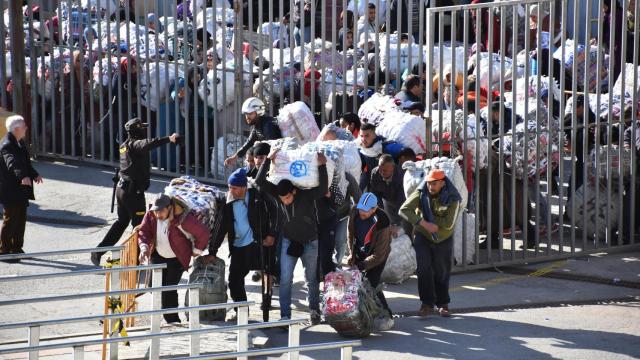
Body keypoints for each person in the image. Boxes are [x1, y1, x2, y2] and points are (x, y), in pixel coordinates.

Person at [254, 148, 329, 324]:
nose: (284, 201)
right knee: (286, 279)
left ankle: (314, 311)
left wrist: (322, 165)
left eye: (287, 198)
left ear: (294, 192)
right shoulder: (278, 194)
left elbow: (323, 188)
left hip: (311, 242)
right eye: (282, 199)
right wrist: (267, 160)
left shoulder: (306, 195)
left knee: (311, 279)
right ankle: (285, 316)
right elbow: (259, 182)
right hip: (289, 241)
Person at [91, 118, 180, 266]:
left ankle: (98, 252)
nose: (145, 131)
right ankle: (135, 261)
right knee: (140, 228)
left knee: (121, 223)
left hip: (122, 190)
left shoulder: (124, 146)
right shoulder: (135, 144)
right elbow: (148, 143)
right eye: (142, 129)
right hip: (133, 194)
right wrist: (169, 139)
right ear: (137, 131)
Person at [206, 168, 277, 320]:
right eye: (229, 187)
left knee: (269, 273)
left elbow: (276, 211)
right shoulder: (228, 201)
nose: (231, 191)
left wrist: (271, 234)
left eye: (235, 188)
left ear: (244, 187)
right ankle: (242, 313)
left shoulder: (258, 196)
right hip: (238, 246)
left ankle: (268, 303)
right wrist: (212, 250)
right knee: (234, 281)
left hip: (258, 244)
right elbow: (220, 226)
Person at [138, 194, 209, 323]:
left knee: (168, 290)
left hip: (177, 259)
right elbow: (144, 231)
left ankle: (173, 321)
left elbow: (203, 233)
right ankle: (167, 313)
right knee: (153, 286)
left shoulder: (183, 218)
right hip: (158, 255)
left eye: (161, 211)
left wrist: (196, 251)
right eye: (156, 211)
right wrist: (144, 247)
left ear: (170, 208)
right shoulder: (151, 214)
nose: (158, 214)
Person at [399, 169, 461, 317]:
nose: (430, 187)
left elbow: (448, 224)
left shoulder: (454, 198)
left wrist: (431, 220)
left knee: (442, 271)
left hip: (443, 238)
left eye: (434, 184)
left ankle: (443, 304)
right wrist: (423, 223)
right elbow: (404, 210)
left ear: (442, 183)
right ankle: (426, 303)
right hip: (423, 236)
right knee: (423, 269)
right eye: (429, 183)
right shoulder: (421, 193)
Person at [346, 192, 394, 331]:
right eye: (361, 208)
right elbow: (350, 234)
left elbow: (379, 254)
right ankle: (362, 313)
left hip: (378, 255)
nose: (362, 212)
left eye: (365, 210)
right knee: (358, 283)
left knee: (372, 282)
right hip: (361, 251)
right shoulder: (355, 212)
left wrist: (361, 265)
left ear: (374, 209)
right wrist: (351, 254)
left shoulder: (383, 222)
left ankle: (386, 314)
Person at [0, 116, 42, 262]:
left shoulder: (20, 143)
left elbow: (25, 163)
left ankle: (17, 248)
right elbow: (12, 163)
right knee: (10, 220)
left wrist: (34, 174)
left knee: (21, 220)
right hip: (10, 189)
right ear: (16, 129)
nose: (26, 128)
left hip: (21, 190)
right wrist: (22, 176)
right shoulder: (6, 145)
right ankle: (4, 250)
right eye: (24, 126)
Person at [224, 97, 282, 167]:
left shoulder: (268, 125)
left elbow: (274, 148)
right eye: (246, 114)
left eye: (250, 113)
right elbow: (249, 142)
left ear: (259, 112)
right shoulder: (258, 126)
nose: (247, 117)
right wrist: (234, 157)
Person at [368, 154, 410, 237]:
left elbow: (401, 201)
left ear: (393, 167)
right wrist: (380, 213)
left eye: (385, 170)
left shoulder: (401, 176)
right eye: (380, 169)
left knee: (402, 227)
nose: (381, 172)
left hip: (403, 203)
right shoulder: (375, 173)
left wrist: (398, 224)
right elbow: (375, 194)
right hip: (386, 200)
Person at [357, 123, 404, 190]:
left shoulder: (385, 147)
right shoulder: (360, 148)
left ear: (374, 135)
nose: (363, 139)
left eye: (367, 136)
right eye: (361, 136)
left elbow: (403, 154)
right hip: (371, 180)